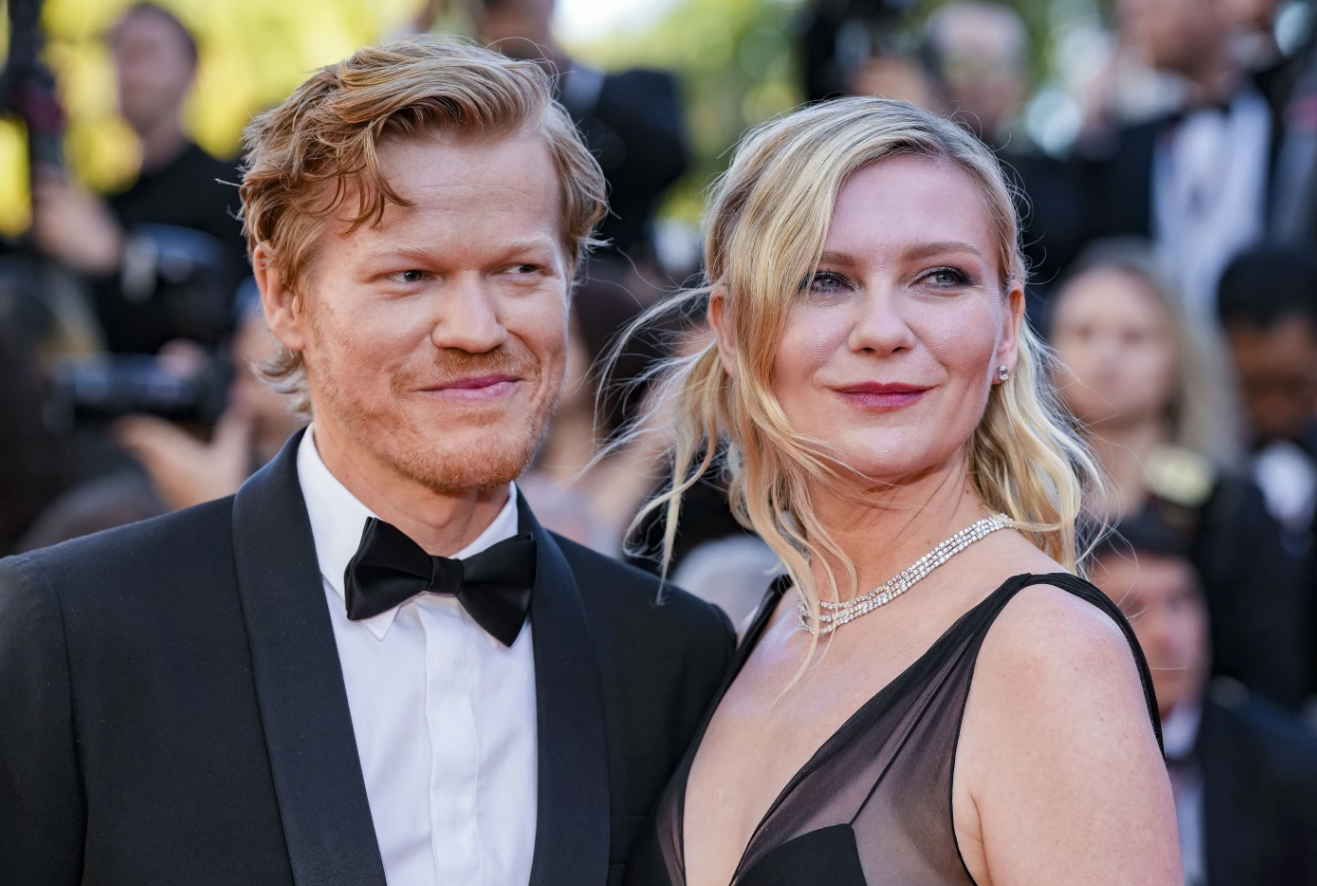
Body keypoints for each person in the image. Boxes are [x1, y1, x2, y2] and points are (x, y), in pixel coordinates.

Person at [0, 36, 734, 886]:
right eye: (410, 275)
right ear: (282, 296)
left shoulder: (672, 654)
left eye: (520, 269)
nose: (474, 327)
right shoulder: (70, 630)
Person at [623, 98, 1179, 886]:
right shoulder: (760, 628)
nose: (881, 329)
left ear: (1006, 327)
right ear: (732, 329)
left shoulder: (1048, 656)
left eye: (939, 278)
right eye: (822, 280)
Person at [1049, 242, 1313, 708]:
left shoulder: (1230, 508)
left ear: (1178, 357)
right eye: (1083, 333)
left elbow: (1276, 676)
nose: (1107, 356)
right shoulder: (1016, 499)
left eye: (1135, 337)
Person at [1093, 510, 1317, 886]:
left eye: (1180, 602)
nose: (1167, 634)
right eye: (1132, 608)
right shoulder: (1045, 759)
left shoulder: (1290, 765)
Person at [30, 2, 246, 354]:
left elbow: (236, 301)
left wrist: (118, 255)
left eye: (147, 53)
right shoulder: (108, 206)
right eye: (122, 55)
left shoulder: (231, 185)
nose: (131, 72)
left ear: (191, 69)